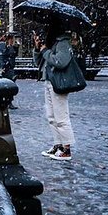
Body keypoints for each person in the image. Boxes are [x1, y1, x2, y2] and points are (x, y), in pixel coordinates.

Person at [33, 24, 76, 161]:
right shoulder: (52, 43)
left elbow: (60, 62)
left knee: (61, 116)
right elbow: (39, 62)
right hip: (49, 81)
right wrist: (37, 48)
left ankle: (66, 148)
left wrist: (45, 51)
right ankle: (58, 145)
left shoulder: (63, 43)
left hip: (58, 82)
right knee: (52, 117)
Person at [0, 32, 19, 109]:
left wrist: (16, 47)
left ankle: (8, 101)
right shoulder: (2, 45)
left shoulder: (9, 46)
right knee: (6, 85)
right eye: (13, 39)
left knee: (9, 85)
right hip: (5, 69)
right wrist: (2, 67)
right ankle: (5, 101)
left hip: (9, 68)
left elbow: (13, 55)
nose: (13, 41)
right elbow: (0, 57)